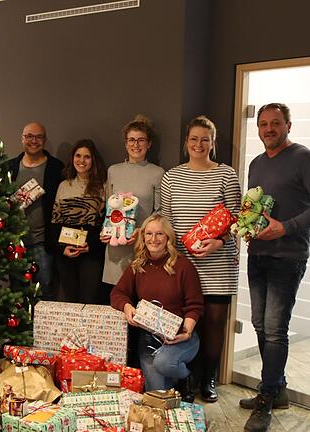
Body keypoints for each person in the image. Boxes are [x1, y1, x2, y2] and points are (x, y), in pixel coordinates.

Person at [239, 103, 310, 432]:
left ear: (288, 125)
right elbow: (258, 208)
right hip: (258, 254)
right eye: (263, 123)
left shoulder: (305, 159)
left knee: (275, 328)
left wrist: (287, 227)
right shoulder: (255, 164)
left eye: (275, 123)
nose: (269, 129)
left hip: (288, 256)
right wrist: (249, 229)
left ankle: (266, 398)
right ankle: (276, 389)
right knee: (259, 324)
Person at [159, 115, 241, 402]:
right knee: (184, 324)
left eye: (204, 139)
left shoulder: (226, 175)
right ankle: (186, 377)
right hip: (183, 265)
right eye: (193, 138)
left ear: (213, 143)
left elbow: (237, 219)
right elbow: (166, 221)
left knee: (214, 324)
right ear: (186, 143)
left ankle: (209, 378)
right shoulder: (171, 177)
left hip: (218, 265)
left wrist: (219, 242)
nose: (198, 144)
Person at [110, 214, 204, 391]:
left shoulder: (184, 266)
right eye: (149, 234)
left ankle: (187, 377)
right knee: (156, 394)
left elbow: (195, 306)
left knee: (163, 363)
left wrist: (187, 332)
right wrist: (127, 307)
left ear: (168, 237)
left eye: (159, 234)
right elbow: (118, 293)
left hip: (179, 336)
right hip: (149, 337)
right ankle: (173, 385)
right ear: (143, 237)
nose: (154, 239)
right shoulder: (138, 265)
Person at [101, 115, 165, 291]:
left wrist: (142, 232)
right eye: (131, 140)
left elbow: (159, 211)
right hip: (116, 248)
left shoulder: (157, 173)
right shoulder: (113, 171)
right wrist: (105, 231)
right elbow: (109, 208)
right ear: (125, 143)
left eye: (141, 140)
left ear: (149, 144)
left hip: (143, 246)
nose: (136, 145)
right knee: (115, 302)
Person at [5, 122, 65, 299]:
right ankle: (20, 327)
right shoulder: (9, 167)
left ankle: (41, 327)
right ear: (22, 139)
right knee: (17, 290)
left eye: (38, 137)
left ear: (45, 140)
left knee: (46, 288)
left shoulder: (56, 168)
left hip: (43, 241)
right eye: (29, 136)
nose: (34, 141)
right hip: (16, 240)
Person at [50, 139, 107, 303]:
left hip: (91, 253)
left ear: (93, 160)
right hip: (66, 254)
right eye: (78, 155)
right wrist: (63, 248)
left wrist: (91, 245)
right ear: (72, 158)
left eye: (87, 157)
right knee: (71, 302)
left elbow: (105, 223)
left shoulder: (103, 187)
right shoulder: (63, 186)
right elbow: (55, 223)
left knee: (89, 302)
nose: (81, 161)